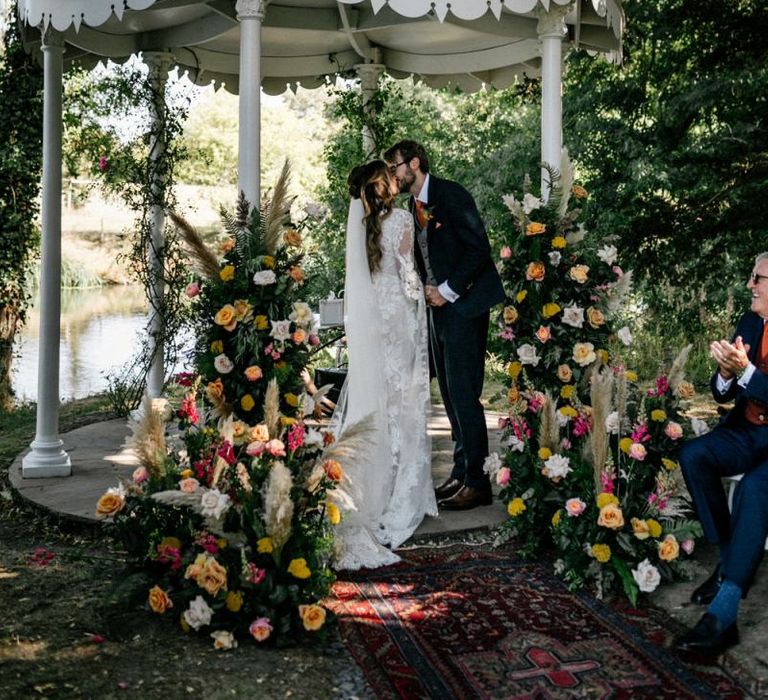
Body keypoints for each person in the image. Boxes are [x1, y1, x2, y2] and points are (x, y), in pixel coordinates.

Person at [383, 140, 505, 510]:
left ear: (414, 164)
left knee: (464, 392)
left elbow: (478, 250)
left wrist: (448, 290)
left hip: (465, 305)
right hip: (437, 308)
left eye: (396, 167)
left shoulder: (452, 195)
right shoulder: (411, 205)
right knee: (449, 394)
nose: (393, 174)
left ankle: (478, 483)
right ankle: (460, 471)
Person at [330, 160, 437, 570]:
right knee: (403, 397)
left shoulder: (359, 222)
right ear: (384, 184)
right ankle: (400, 489)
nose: (397, 179)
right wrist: (420, 297)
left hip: (372, 316)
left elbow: (362, 278)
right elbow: (408, 273)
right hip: (396, 315)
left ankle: (369, 480)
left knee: (375, 395)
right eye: (391, 176)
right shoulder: (402, 219)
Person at [675, 252, 768, 654]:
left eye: (758, 277)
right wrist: (727, 375)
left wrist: (746, 371)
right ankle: (729, 557)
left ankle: (723, 613)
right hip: (746, 430)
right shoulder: (750, 322)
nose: (750, 285)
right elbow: (720, 392)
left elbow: (754, 376)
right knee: (695, 456)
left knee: (754, 489)